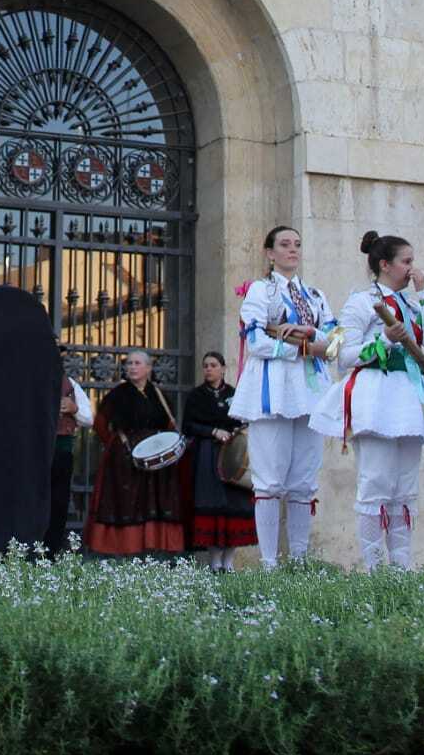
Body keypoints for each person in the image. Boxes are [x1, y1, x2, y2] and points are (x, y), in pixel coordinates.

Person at [311, 232, 424, 571]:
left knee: (405, 488)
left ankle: (401, 569)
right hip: (376, 397)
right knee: (375, 483)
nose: (412, 269)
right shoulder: (360, 302)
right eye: (406, 262)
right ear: (385, 265)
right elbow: (343, 355)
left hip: (410, 398)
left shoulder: (412, 303)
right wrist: (384, 341)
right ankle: (375, 570)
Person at [232, 226, 338, 566]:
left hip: (310, 390)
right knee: (269, 480)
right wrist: (299, 349)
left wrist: (310, 333)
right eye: (284, 244)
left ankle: (299, 560)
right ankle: (269, 564)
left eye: (297, 244)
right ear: (270, 253)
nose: (292, 250)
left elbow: (336, 340)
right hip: (274, 387)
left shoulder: (315, 295)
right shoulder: (261, 290)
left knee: (304, 480)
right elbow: (255, 341)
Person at [84, 349, 186, 556]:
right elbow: (100, 424)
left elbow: (169, 425)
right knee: (126, 503)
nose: (132, 367)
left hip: (156, 461)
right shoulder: (117, 395)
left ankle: (152, 548)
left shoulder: (158, 394)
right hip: (125, 458)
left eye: (137, 363)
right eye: (129, 363)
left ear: (148, 368)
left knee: (153, 502)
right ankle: (125, 549)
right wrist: (116, 446)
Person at [183, 351, 255, 569]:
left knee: (236, 503)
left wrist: (236, 433)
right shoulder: (196, 396)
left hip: (233, 457)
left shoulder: (235, 394)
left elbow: (245, 421)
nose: (209, 369)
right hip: (207, 456)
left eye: (213, 365)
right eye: (205, 365)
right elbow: (188, 426)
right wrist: (213, 431)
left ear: (223, 369)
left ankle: (229, 561)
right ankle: (214, 561)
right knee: (211, 503)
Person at [44, 372, 93, 554]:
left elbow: (89, 418)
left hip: (60, 453)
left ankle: (50, 551)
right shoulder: (26, 379)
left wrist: (74, 409)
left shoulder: (69, 384)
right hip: (31, 453)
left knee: (58, 503)